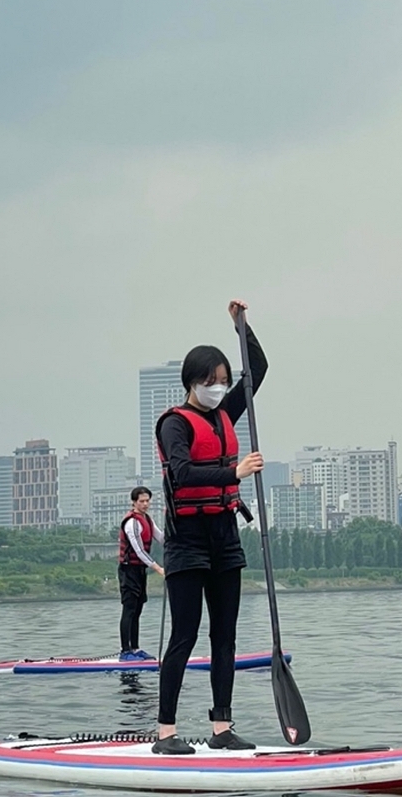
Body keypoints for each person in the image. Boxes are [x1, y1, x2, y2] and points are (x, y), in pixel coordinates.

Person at [150, 298, 266, 756]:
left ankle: (222, 727)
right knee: (184, 635)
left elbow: (258, 368)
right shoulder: (174, 425)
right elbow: (181, 474)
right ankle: (166, 733)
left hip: (224, 536)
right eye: (211, 381)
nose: (219, 388)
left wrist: (242, 327)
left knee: (226, 635)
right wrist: (234, 473)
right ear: (192, 382)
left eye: (222, 381)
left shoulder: (225, 414)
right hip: (187, 540)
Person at [118, 486, 166, 661]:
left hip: (140, 570)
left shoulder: (147, 519)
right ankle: (125, 651)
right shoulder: (132, 523)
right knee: (129, 609)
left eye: (147, 501)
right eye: (142, 501)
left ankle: (135, 649)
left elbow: (161, 538)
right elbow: (138, 550)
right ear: (134, 502)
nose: (145, 504)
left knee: (138, 609)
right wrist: (158, 568)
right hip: (128, 570)